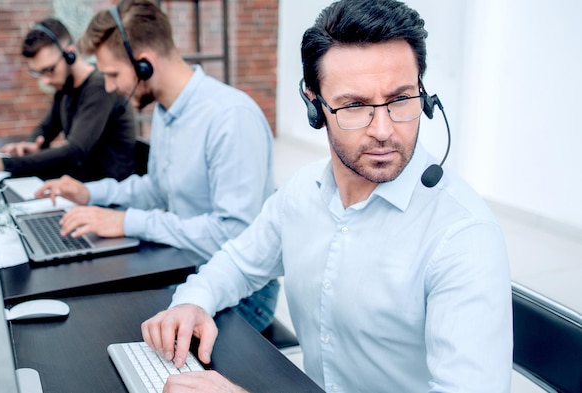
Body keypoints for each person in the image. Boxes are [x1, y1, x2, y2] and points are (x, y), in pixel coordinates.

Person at [140, 0, 513, 392]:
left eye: (401, 99)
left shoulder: (463, 238)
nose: (383, 130)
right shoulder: (303, 192)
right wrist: (193, 300)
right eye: (355, 105)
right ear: (313, 104)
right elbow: (238, 262)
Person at [34, 0, 279, 332]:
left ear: (144, 65)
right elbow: (154, 188)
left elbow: (231, 234)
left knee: (107, 327)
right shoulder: (166, 111)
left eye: (112, 75)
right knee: (89, 316)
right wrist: (89, 193)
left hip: (239, 295)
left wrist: (128, 221)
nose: (108, 87)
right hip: (184, 267)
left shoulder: (230, 118)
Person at [0, 18, 136, 182]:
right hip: (80, 186)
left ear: (70, 53)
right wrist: (31, 145)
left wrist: (5, 164)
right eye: (38, 73)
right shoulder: (65, 87)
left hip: (106, 194)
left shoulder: (100, 86)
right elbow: (47, 128)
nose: (45, 81)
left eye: (49, 70)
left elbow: (74, 151)